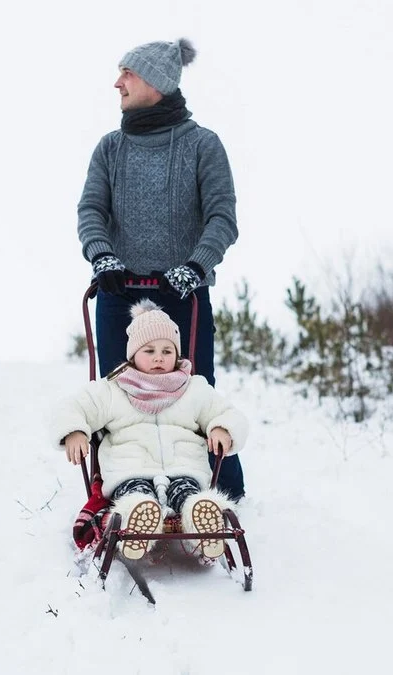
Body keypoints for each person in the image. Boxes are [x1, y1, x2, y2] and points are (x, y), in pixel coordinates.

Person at [76, 37, 245, 499]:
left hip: (182, 292)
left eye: (127, 74)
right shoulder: (110, 148)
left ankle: (215, 492)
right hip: (119, 289)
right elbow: (91, 210)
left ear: (157, 81)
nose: (117, 83)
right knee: (117, 401)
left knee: (192, 395)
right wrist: (101, 254)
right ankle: (119, 492)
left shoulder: (202, 146)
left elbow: (222, 218)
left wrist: (196, 265)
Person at [53, 300, 248, 560]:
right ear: (133, 354)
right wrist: (74, 431)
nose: (159, 357)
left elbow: (228, 413)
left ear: (177, 355)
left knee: (188, 493)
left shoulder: (194, 388)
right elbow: (73, 406)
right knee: (136, 495)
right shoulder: (113, 389)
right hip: (129, 470)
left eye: (168, 351)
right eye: (149, 350)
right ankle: (136, 519)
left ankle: (203, 519)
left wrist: (222, 428)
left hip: (184, 469)